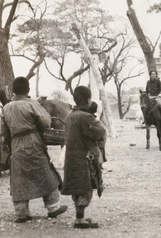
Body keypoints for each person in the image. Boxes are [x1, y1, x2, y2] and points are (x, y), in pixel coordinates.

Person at [1, 77, 67, 223]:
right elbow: (46, 121)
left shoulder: (6, 107)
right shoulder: (33, 104)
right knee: (45, 172)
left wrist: (9, 144)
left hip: (16, 143)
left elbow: (3, 130)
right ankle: (53, 208)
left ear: (13, 90)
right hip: (33, 141)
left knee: (19, 178)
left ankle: (21, 213)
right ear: (28, 90)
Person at [61, 86, 106, 229]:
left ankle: (79, 217)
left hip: (71, 158)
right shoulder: (85, 117)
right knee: (86, 188)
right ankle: (79, 220)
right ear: (87, 99)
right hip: (84, 158)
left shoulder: (70, 115)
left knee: (78, 188)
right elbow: (100, 132)